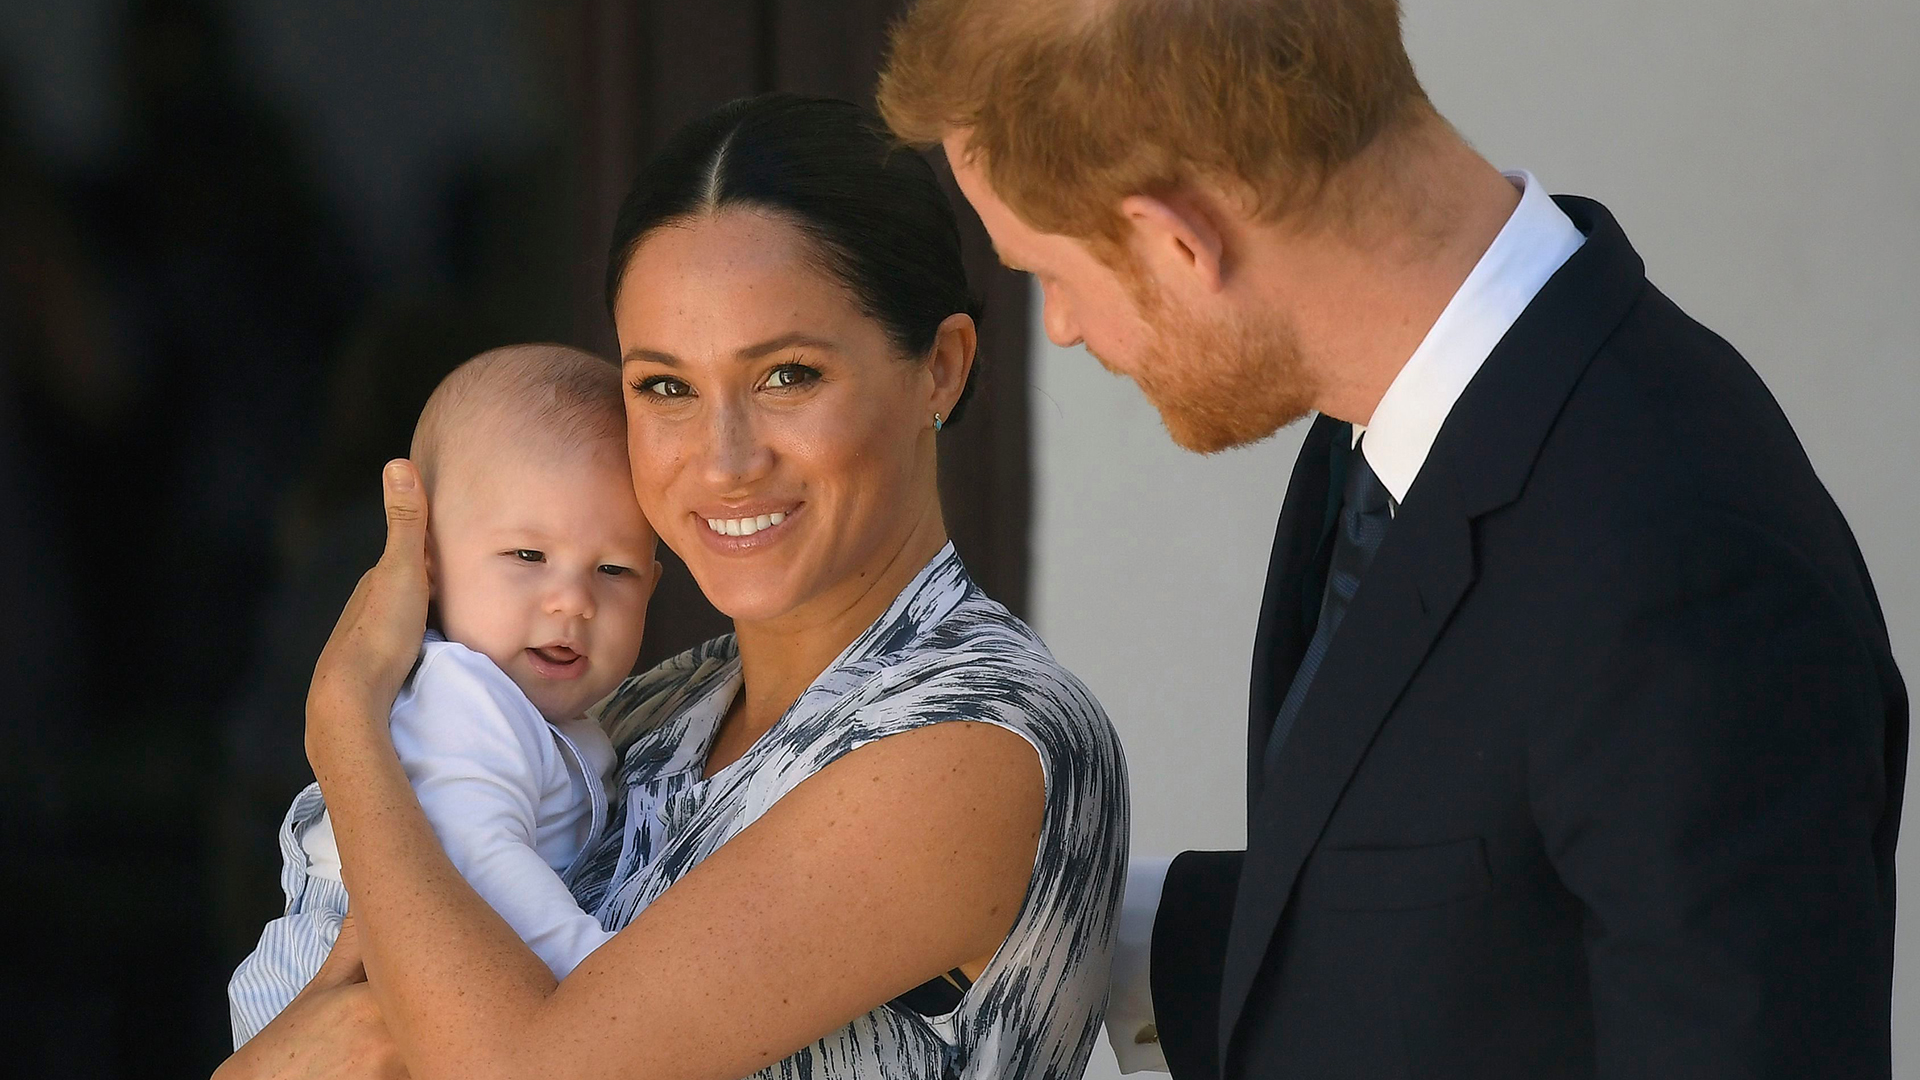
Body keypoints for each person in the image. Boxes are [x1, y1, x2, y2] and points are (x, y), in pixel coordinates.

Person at [878, 1, 1907, 1078]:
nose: (1063, 327)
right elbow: (1470, 931)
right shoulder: (1394, 428)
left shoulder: (1682, 561)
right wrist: (1045, 912)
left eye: (1048, 272)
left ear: (1180, 241)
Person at [214, 93, 1128, 1080]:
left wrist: (347, 719)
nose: (724, 459)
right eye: (665, 387)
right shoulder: (644, 712)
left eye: (787, 375)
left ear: (940, 370)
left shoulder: (977, 738)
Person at [226, 344, 656, 1045]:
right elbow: (482, 861)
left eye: (614, 570)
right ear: (426, 562)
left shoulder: (562, 717)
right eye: (528, 556)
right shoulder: (463, 698)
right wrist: (596, 975)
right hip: (340, 983)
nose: (573, 600)